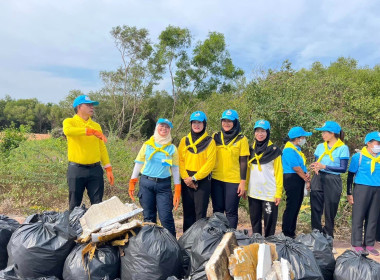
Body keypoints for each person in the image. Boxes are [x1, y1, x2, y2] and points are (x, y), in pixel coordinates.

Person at [128, 118, 181, 236]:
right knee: (148, 217)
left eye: (167, 127)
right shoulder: (147, 145)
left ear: (170, 130)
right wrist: (132, 181)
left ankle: (172, 244)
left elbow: (175, 169)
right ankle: (150, 246)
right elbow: (139, 163)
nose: (164, 129)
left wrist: (177, 188)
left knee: (166, 217)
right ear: (157, 127)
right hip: (146, 183)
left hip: (164, 186)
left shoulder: (172, 148)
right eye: (162, 126)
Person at [63, 95, 114, 211]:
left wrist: (108, 167)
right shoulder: (70, 122)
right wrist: (89, 131)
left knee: (97, 205)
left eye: (92, 105)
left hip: (95, 170)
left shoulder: (96, 126)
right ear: (79, 107)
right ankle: (72, 227)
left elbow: (101, 147)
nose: (92, 107)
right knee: (74, 204)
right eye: (89, 105)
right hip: (76, 170)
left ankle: (96, 229)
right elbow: (68, 131)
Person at [309, 121, 349, 240]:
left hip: (333, 179)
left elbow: (343, 169)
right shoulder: (320, 146)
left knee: (330, 210)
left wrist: (325, 167)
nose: (323, 134)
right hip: (318, 177)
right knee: (315, 208)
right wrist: (316, 167)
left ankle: (328, 239)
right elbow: (317, 162)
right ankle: (316, 237)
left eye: (325, 132)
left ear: (332, 133)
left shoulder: (343, 148)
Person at [178, 111, 216, 232]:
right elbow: (180, 160)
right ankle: (186, 242)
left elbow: (210, 163)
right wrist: (186, 179)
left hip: (202, 180)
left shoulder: (210, 141)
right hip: (186, 179)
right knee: (188, 212)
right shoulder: (184, 140)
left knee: (200, 213)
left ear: (204, 124)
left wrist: (194, 178)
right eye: (194, 122)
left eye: (199, 122)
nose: (196, 125)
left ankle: (199, 242)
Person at [211, 109, 249, 229]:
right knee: (217, 211)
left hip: (233, 181)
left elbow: (244, 162)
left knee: (231, 212)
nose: (226, 123)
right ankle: (217, 238)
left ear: (235, 122)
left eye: (230, 121)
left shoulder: (242, 139)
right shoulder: (215, 136)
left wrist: (243, 182)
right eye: (224, 121)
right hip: (216, 179)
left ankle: (229, 239)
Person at [246, 120, 283, 237]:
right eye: (257, 131)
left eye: (263, 131)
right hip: (253, 192)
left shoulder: (275, 150)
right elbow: (246, 171)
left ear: (268, 132)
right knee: (255, 221)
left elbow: (279, 173)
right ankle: (257, 245)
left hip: (269, 193)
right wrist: (245, 187)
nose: (260, 134)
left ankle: (269, 245)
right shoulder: (250, 149)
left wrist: (278, 193)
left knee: (270, 224)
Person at [347, 131, 380, 255]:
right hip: (362, 188)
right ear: (369, 143)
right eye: (378, 143)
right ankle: (356, 243)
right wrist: (349, 193)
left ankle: (369, 244)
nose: (379, 145)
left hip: (377, 189)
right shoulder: (358, 157)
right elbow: (350, 176)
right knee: (358, 216)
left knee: (373, 217)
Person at [281, 126, 312, 238]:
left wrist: (306, 175)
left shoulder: (296, 149)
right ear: (297, 138)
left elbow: (301, 167)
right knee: (292, 205)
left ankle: (291, 231)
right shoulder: (288, 149)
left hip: (298, 178)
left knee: (296, 205)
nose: (304, 139)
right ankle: (287, 232)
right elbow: (296, 167)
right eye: (303, 137)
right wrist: (305, 178)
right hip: (292, 178)